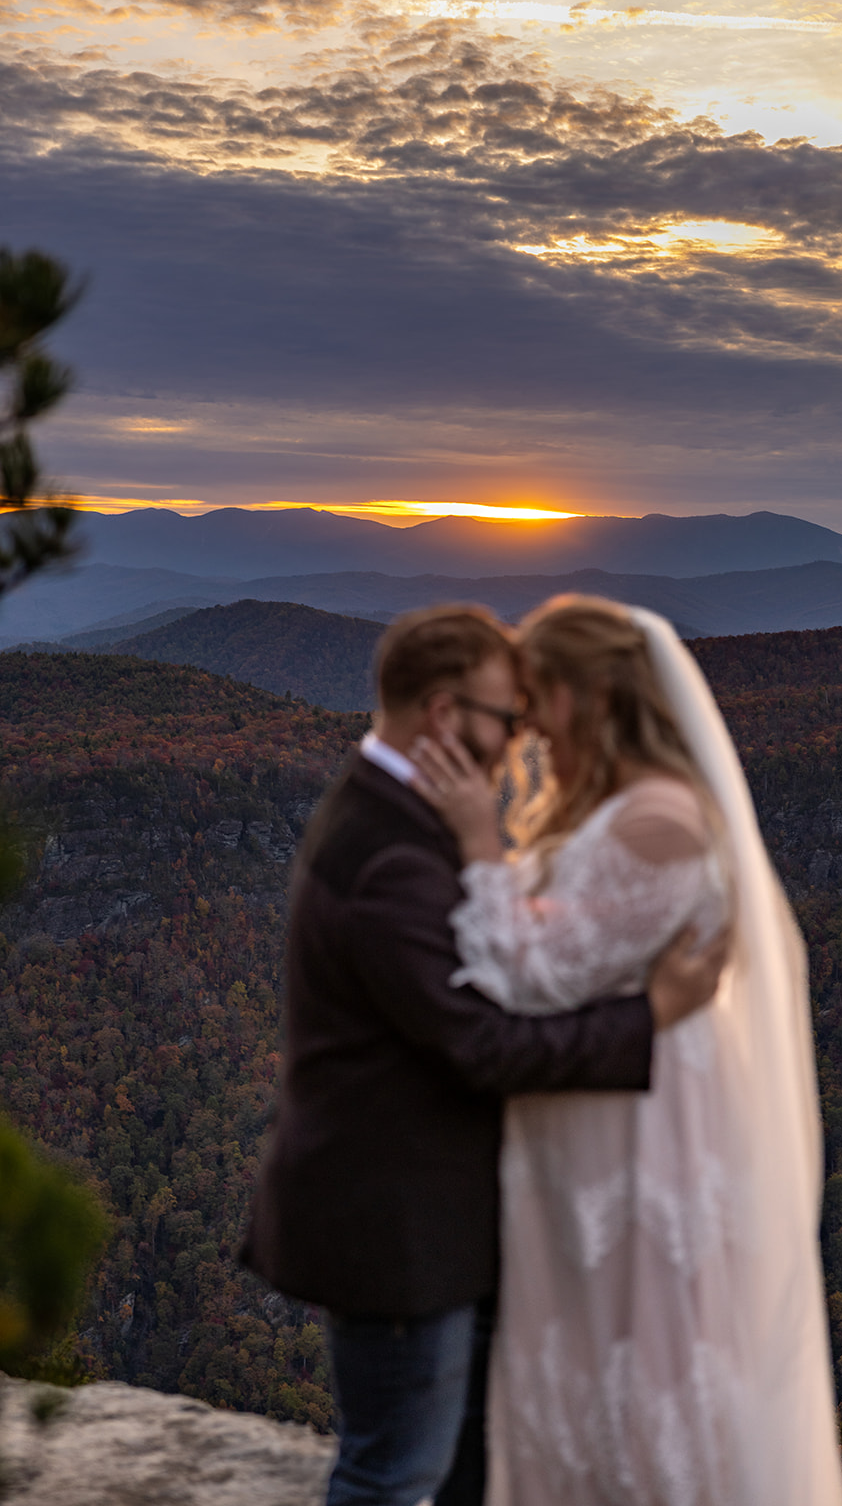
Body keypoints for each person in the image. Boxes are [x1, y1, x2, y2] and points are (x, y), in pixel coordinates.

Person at [240, 603, 727, 1506]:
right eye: (506, 719)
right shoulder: (393, 854)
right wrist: (651, 1013)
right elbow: (483, 1045)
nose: (517, 741)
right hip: (397, 1225)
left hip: (435, 1217)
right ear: (442, 715)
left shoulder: (387, 814)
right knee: (392, 1474)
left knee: (459, 1465)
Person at [410, 595, 842, 1506]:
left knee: (641, 1372)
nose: (528, 730)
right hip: (601, 1110)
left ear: (592, 695)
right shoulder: (623, 810)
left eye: (539, 702)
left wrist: (474, 840)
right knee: (593, 1366)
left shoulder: (660, 823)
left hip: (638, 1134)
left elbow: (528, 976)